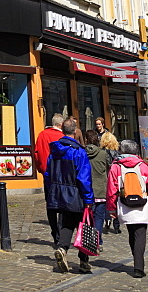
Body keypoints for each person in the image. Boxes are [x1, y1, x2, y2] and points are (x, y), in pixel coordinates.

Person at [45, 117, 95, 274]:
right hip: (76, 194)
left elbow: (48, 174)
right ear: (75, 131)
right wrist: (88, 199)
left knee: (66, 223)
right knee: (85, 226)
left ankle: (62, 248)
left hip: (59, 194)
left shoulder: (54, 151)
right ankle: (83, 262)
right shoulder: (79, 152)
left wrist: (52, 192)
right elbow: (83, 178)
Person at [106, 139, 148, 278]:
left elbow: (111, 190)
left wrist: (112, 208)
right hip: (142, 204)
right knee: (140, 234)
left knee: (132, 233)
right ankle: (139, 266)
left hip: (125, 204)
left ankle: (137, 261)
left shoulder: (116, 167)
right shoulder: (142, 166)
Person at [35, 113, 64, 244]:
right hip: (62, 176)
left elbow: (37, 154)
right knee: (63, 204)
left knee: (51, 204)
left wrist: (42, 170)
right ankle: (60, 231)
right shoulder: (62, 137)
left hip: (48, 175)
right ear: (61, 124)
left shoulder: (42, 135)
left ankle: (55, 232)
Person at [85, 129, 112, 249]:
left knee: (88, 217)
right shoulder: (103, 154)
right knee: (99, 217)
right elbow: (109, 168)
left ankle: (90, 240)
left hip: (87, 190)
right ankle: (98, 241)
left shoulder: (82, 153)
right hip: (101, 190)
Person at [100, 131, 121, 233]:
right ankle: (116, 225)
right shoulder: (117, 153)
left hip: (106, 177)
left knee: (108, 199)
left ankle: (107, 219)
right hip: (116, 178)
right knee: (116, 199)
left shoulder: (101, 153)